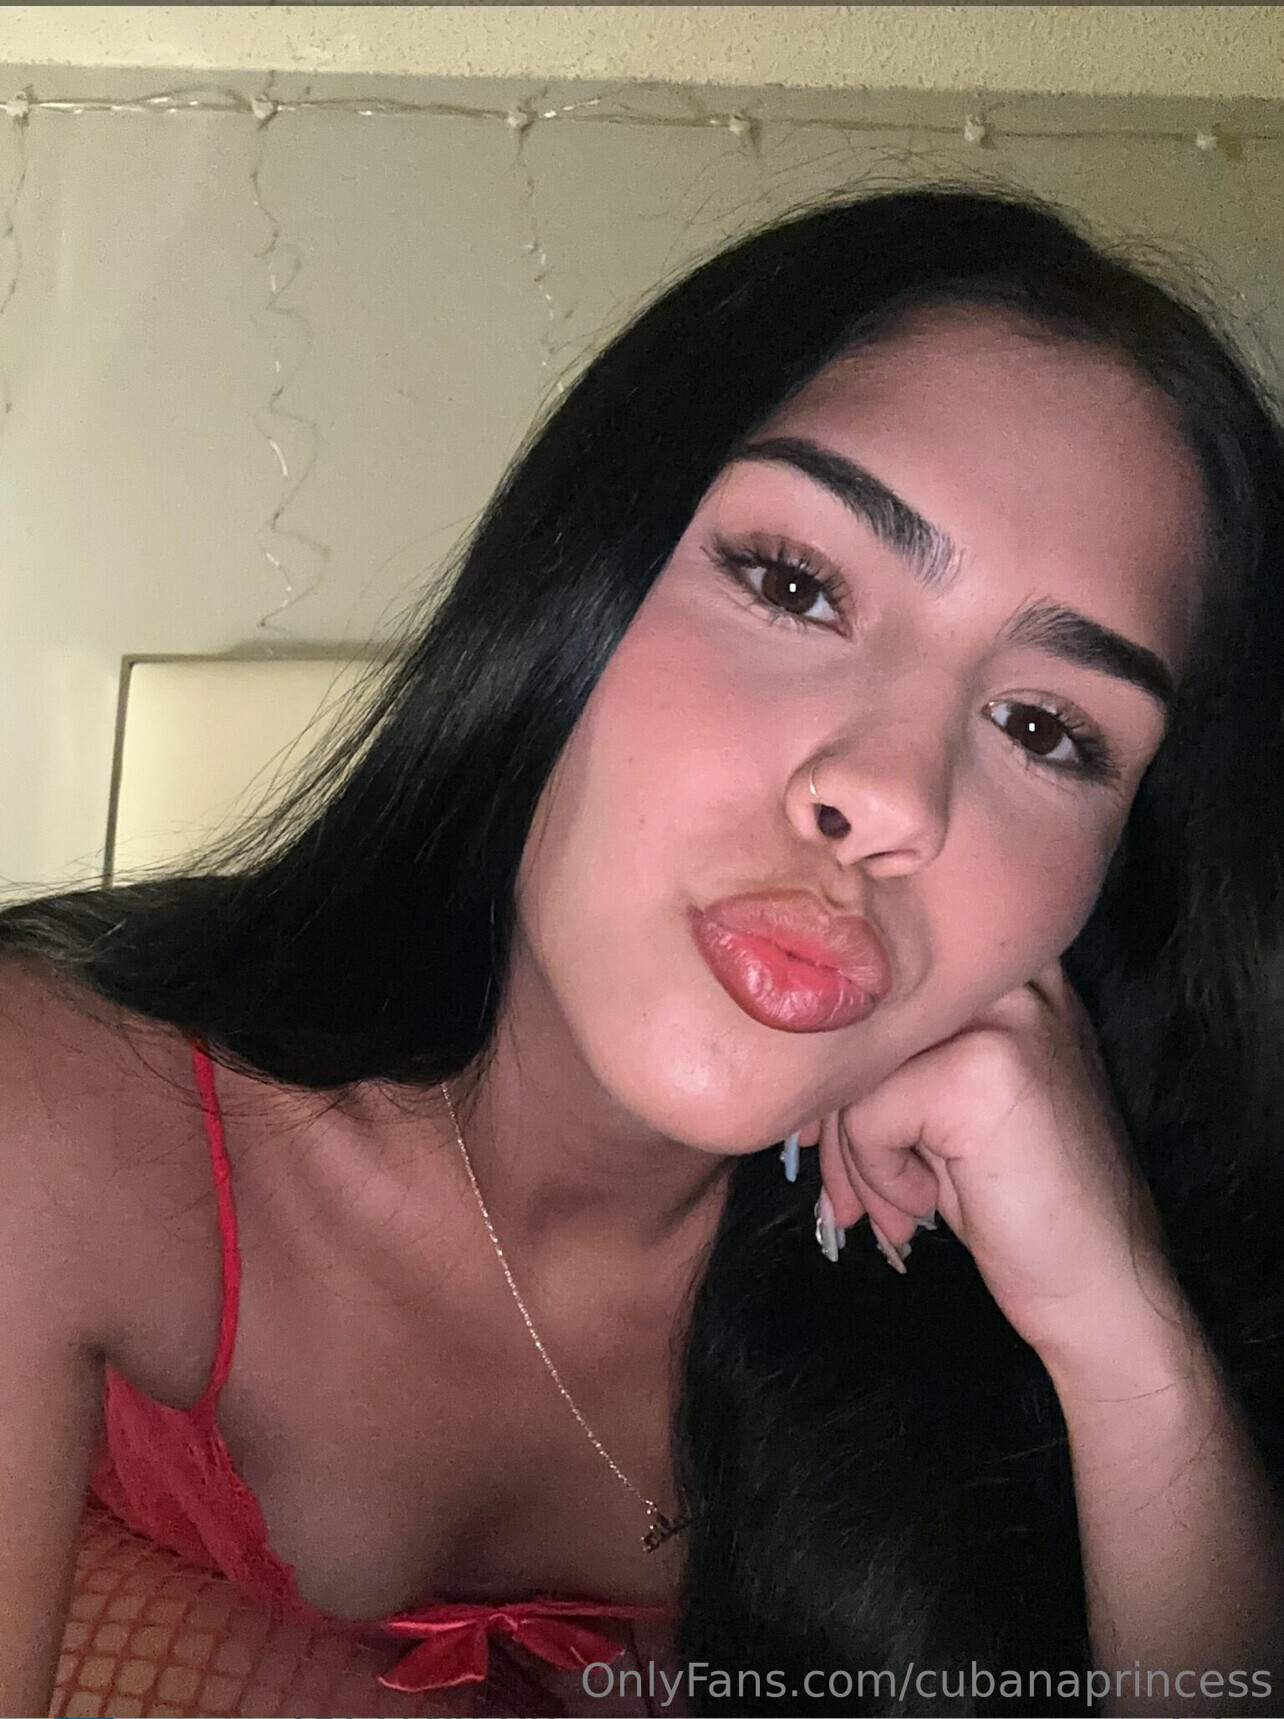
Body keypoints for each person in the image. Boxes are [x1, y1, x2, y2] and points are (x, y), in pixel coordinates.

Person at [2, 182, 1283, 1719]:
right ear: (574, 581)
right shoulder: (54, 1115)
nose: (890, 796)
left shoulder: (1000, 1310)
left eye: (1046, 728)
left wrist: (1120, 1330)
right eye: (798, 586)